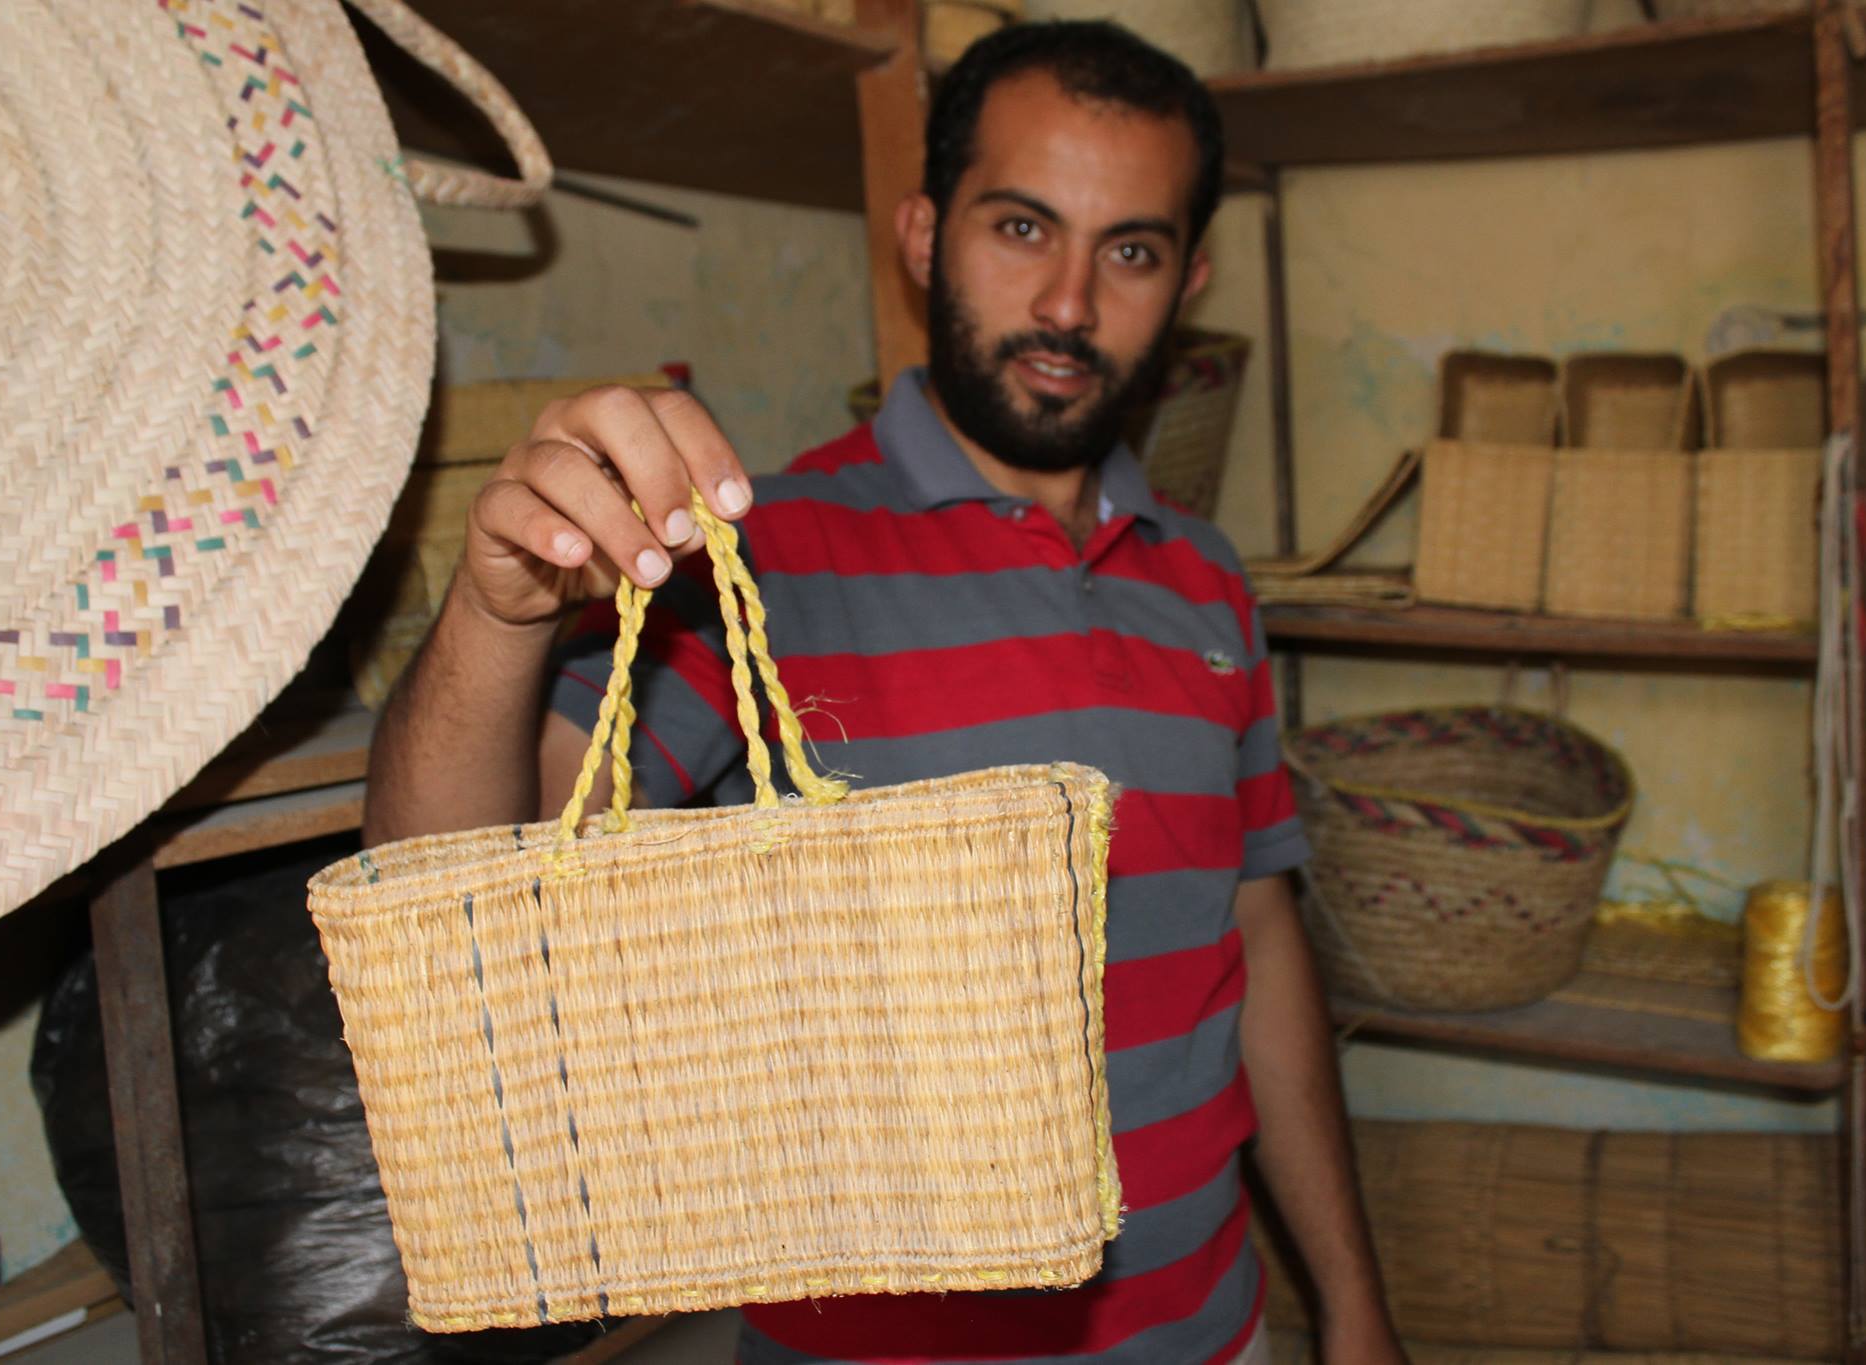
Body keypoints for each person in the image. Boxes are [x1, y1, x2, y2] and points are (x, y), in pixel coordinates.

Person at [365, 20, 1403, 1365]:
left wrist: (1354, 1303)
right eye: (1022, 228)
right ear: (922, 236)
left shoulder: (1206, 583)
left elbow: (1255, 937)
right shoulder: (759, 557)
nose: (1072, 304)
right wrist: (493, 614)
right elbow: (451, 903)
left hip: (1217, 1333)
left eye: (1130, 250)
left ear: (1189, 279)